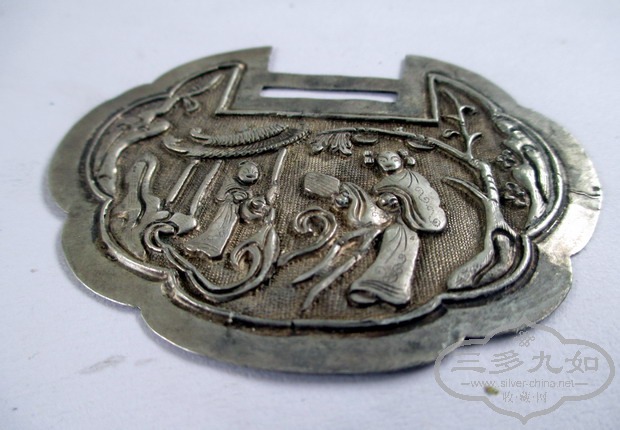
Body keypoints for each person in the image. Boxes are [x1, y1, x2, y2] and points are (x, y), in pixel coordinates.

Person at [348, 151, 446, 306]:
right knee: (390, 247)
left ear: (403, 160)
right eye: (383, 159)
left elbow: (422, 197)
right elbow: (384, 203)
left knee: (401, 253)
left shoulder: (413, 178)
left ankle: (394, 289)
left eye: (393, 158)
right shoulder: (382, 185)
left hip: (408, 226)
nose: (389, 161)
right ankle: (376, 285)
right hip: (398, 226)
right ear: (377, 163)